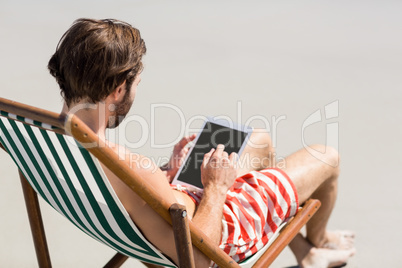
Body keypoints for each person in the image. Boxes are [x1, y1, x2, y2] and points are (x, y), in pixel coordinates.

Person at [48, 18, 356, 268]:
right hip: (218, 232)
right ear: (117, 90)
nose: (134, 93)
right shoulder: (127, 167)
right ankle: (318, 240)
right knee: (327, 155)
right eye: (135, 85)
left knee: (257, 139)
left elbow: (142, 194)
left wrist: (167, 175)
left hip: (178, 208)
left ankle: (305, 251)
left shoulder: (45, 138)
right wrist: (217, 186)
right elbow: (198, 259)